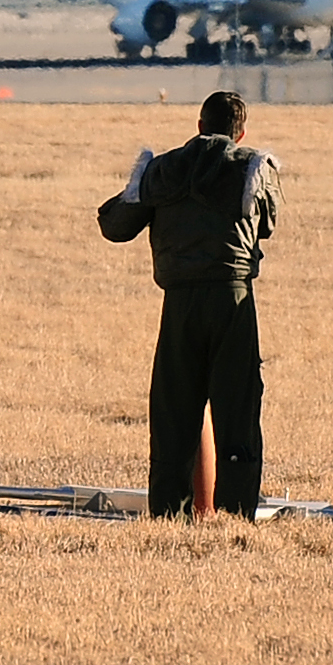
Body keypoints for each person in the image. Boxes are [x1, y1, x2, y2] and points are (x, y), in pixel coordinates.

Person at [98, 89, 280, 519]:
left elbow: (116, 226)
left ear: (199, 126)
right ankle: (235, 513)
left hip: (178, 302)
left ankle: (168, 512)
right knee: (237, 409)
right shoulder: (252, 166)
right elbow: (267, 225)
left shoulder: (161, 169)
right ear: (240, 133)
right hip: (232, 298)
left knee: (173, 410)